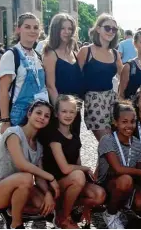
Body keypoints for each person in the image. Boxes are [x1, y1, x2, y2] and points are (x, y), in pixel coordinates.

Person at [0, 100, 60, 229]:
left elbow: (39, 177)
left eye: (46, 116)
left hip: (18, 185)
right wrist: (51, 178)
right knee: (27, 177)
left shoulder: (39, 146)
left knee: (45, 206)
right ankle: (16, 223)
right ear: (29, 114)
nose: (42, 117)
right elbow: (22, 164)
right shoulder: (14, 132)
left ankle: (11, 211)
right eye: (38, 113)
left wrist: (48, 194)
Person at [42, 95, 106, 228]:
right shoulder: (54, 136)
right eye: (64, 111)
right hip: (56, 184)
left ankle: (73, 208)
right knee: (78, 176)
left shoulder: (75, 136)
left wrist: (87, 206)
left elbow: (77, 163)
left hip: (73, 183)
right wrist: (86, 168)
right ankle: (63, 218)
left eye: (72, 111)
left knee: (99, 195)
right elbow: (65, 169)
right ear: (56, 113)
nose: (68, 115)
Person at [96, 101, 141, 229]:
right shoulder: (107, 140)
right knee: (125, 180)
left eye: (132, 121)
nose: (129, 125)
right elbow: (118, 169)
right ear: (115, 122)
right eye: (124, 122)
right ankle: (110, 213)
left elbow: (140, 169)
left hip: (128, 184)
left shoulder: (137, 143)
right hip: (108, 185)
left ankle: (122, 210)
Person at [0, 13, 48, 134]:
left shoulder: (38, 56)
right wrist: (5, 120)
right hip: (19, 116)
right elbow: (4, 91)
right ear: (18, 29)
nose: (32, 30)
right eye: (27, 27)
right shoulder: (11, 55)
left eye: (35, 27)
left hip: (39, 116)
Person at [77, 13, 123, 142]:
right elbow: (76, 77)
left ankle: (102, 163)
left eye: (114, 29)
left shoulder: (115, 53)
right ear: (98, 28)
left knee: (112, 141)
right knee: (106, 141)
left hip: (111, 99)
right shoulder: (86, 51)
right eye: (107, 28)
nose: (111, 31)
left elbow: (124, 75)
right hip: (93, 100)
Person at [43, 13, 83, 136]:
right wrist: (59, 110)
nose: (67, 32)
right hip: (60, 107)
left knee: (75, 142)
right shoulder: (50, 53)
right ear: (55, 30)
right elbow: (50, 85)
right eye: (63, 28)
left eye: (70, 28)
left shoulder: (74, 52)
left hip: (74, 107)